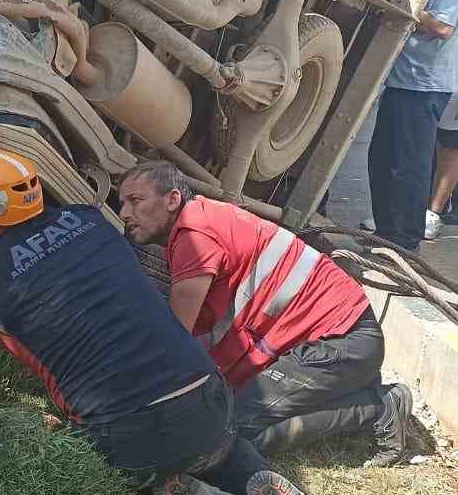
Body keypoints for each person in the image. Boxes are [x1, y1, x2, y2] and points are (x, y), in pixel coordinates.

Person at [0, 152, 363, 495]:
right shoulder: (94, 224)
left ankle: (170, 489)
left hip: (125, 433)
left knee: (106, 445)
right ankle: (264, 484)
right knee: (217, 442)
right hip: (208, 394)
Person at [119, 160, 411, 467]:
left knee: (229, 432)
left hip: (341, 341)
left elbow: (173, 344)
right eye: (123, 202)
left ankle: (379, 406)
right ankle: (347, 389)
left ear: (173, 199)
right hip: (341, 337)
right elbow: (200, 332)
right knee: (225, 408)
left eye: (136, 201)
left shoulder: (194, 235)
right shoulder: (203, 218)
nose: (125, 213)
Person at [368, 0, 458, 251]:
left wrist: (404, 8)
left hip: (424, 87)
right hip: (401, 82)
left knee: (409, 166)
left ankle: (404, 242)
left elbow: (444, 27)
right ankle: (386, 232)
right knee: (382, 158)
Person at [425, 0, 458, 239]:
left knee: (446, 149)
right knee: (443, 149)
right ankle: (429, 212)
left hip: (444, 80)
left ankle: (431, 213)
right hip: (442, 80)